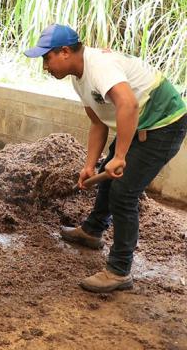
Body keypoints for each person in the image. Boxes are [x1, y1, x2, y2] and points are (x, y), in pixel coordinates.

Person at [25, 24, 187, 293]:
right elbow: (98, 124)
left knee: (124, 192)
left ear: (64, 52)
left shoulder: (99, 66)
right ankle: (92, 230)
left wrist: (121, 155)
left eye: (46, 57)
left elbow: (128, 104)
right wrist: (89, 165)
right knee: (106, 174)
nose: (45, 66)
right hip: (139, 122)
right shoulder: (79, 78)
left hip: (163, 123)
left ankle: (119, 271)